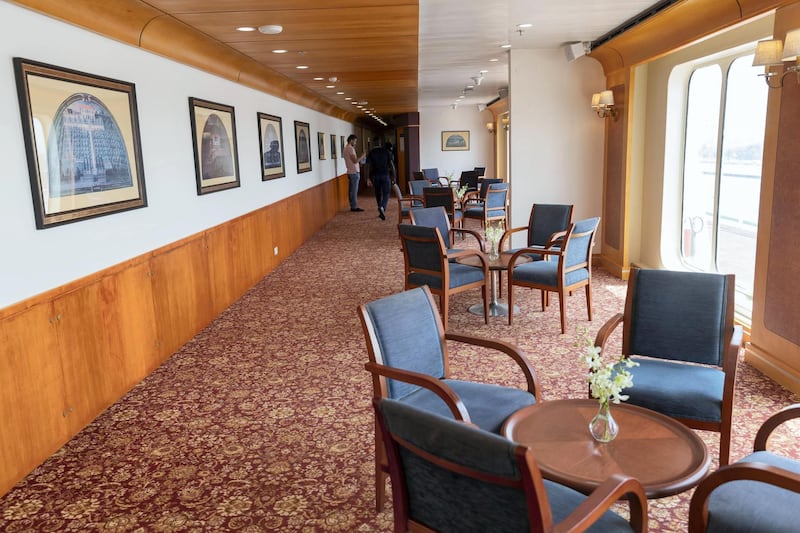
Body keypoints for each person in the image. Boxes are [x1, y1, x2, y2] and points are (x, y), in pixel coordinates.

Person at [366, 138, 394, 220]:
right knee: (386, 192)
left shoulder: (371, 152)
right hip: (385, 174)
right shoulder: (386, 152)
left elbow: (368, 165)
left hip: (375, 175)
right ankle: (382, 207)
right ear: (381, 143)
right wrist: (394, 176)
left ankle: (379, 207)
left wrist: (367, 178)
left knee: (378, 193)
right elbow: (392, 165)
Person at [343, 134, 366, 212]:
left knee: (351, 190)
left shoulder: (346, 148)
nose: (355, 143)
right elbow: (355, 161)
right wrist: (362, 156)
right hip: (354, 172)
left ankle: (352, 205)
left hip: (350, 171)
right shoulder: (350, 148)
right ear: (351, 140)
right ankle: (354, 207)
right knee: (354, 190)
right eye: (355, 141)